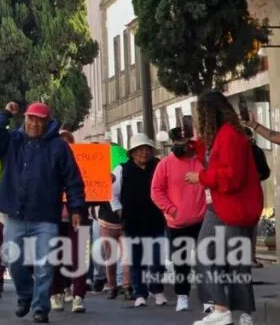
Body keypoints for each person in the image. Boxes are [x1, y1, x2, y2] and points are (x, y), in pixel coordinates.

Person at [0, 102, 84, 324]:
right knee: (12, 260)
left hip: (46, 217)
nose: (34, 124)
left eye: (39, 120)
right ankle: (25, 295)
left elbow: (73, 180)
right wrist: (5, 114)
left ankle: (40, 307)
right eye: (30, 118)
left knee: (44, 265)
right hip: (16, 215)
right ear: (25, 119)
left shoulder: (58, 147)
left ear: (47, 123)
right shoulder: (12, 142)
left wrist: (76, 208)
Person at [186, 91, 263, 325]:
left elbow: (233, 177)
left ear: (208, 112)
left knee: (234, 259)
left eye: (200, 113)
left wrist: (202, 177)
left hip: (233, 205)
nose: (198, 119)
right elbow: (218, 164)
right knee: (209, 253)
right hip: (221, 204)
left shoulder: (228, 136)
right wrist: (195, 146)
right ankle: (223, 308)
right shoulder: (222, 135)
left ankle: (237, 311)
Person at [150, 125, 206, 313]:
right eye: (178, 141)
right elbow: (156, 191)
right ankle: (183, 296)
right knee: (180, 262)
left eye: (186, 141)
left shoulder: (200, 160)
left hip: (202, 218)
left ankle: (208, 298)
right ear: (172, 143)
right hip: (177, 222)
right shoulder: (164, 164)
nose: (182, 145)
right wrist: (170, 209)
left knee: (205, 260)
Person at [111, 132, 167, 308]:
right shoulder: (121, 169)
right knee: (137, 260)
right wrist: (118, 210)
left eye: (147, 149)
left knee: (158, 259)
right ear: (132, 152)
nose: (144, 153)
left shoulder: (159, 166)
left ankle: (157, 290)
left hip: (157, 220)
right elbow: (112, 192)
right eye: (140, 149)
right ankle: (140, 293)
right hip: (133, 222)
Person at [49, 129, 90, 314]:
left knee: (78, 257)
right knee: (56, 257)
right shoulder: (49, 164)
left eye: (69, 142)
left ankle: (78, 296)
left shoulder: (84, 162)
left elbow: (91, 191)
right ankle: (57, 292)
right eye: (62, 143)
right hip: (54, 216)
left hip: (78, 215)